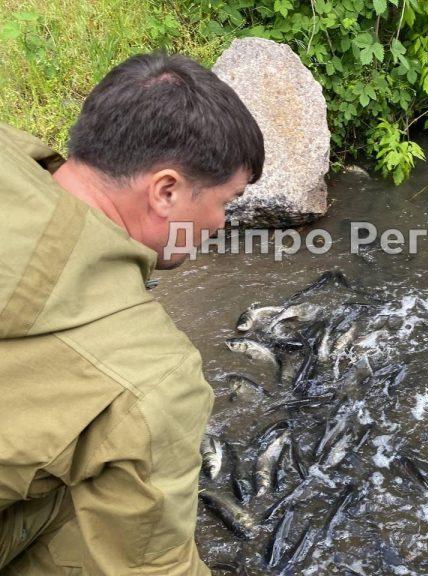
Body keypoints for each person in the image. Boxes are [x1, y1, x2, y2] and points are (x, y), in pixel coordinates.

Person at [0, 52, 264, 574]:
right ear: (165, 190)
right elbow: (150, 565)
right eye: (227, 201)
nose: (221, 222)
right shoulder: (156, 378)